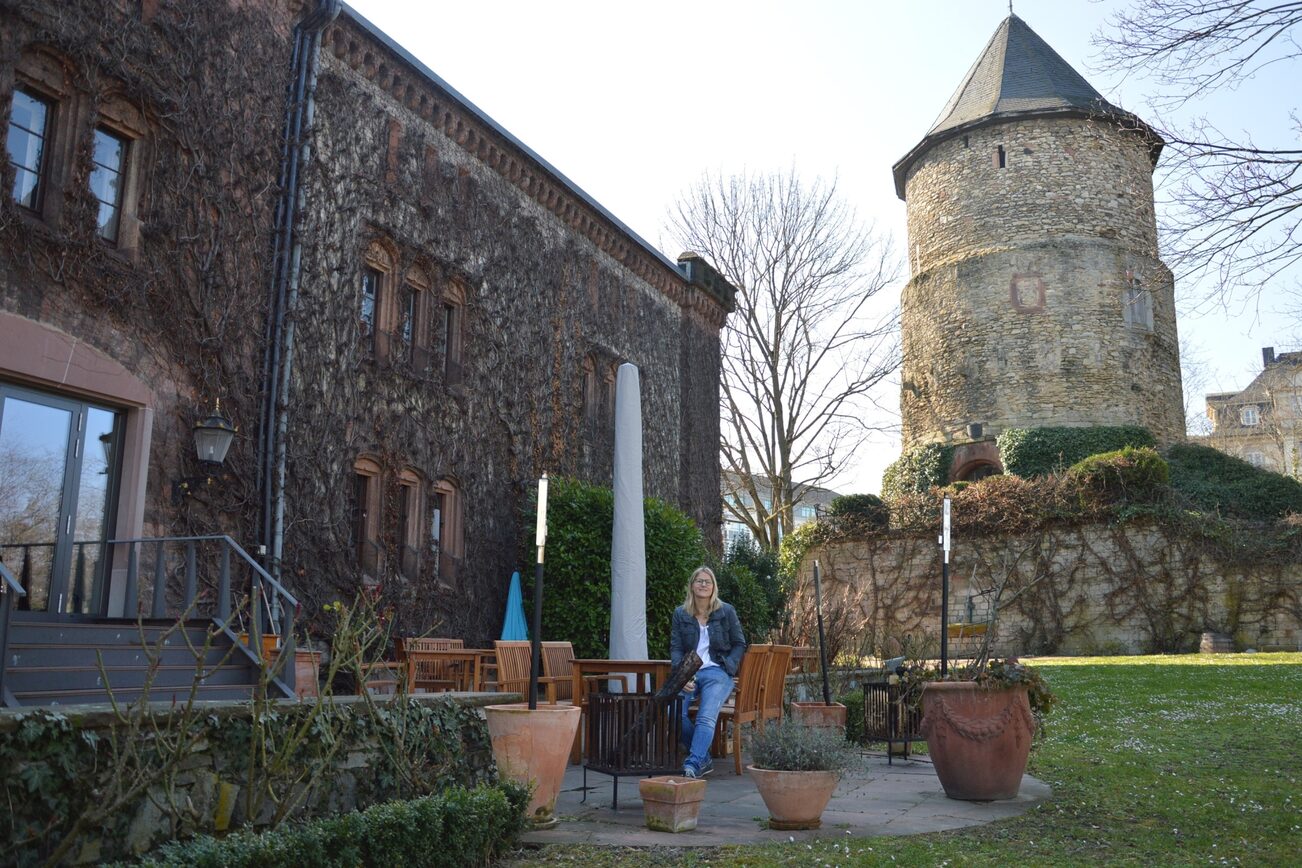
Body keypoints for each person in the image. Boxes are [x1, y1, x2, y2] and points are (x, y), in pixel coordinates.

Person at [670, 565, 746, 778]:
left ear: (714, 587)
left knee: (706, 716)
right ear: (692, 586)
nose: (703, 584)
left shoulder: (726, 611)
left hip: (717, 672)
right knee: (672, 713)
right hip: (689, 671)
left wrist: (728, 667)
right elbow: (676, 648)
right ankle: (703, 756)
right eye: (699, 581)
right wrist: (680, 675)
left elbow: (739, 643)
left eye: (708, 581)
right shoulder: (680, 613)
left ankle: (693, 764)